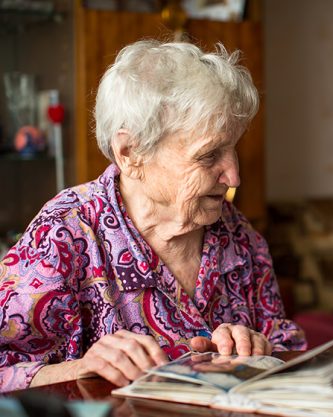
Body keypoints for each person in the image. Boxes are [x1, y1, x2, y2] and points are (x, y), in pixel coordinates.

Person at [0, 39, 306, 393]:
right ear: (130, 153)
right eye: (208, 156)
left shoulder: (237, 234)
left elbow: (288, 347)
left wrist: (259, 348)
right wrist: (82, 368)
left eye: (232, 149)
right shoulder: (63, 235)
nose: (233, 176)